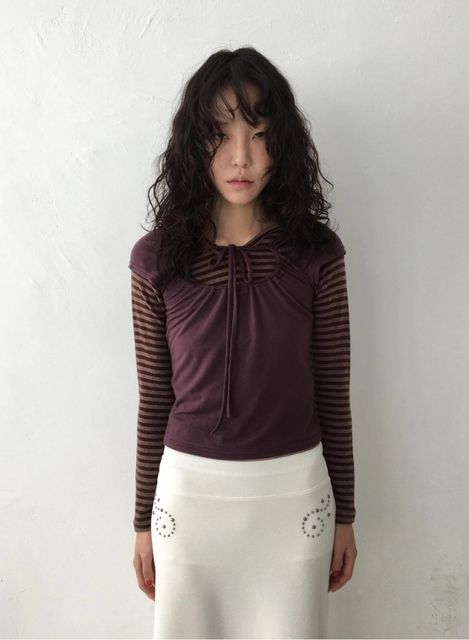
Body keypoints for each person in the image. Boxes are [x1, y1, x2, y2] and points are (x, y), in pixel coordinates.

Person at [129, 46, 357, 639]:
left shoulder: (317, 254)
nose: (241, 157)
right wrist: (141, 523)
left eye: (259, 135)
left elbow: (333, 389)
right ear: (192, 144)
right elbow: (155, 396)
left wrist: (347, 514)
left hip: (295, 496)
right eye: (220, 135)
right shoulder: (155, 260)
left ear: (282, 144)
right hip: (189, 500)